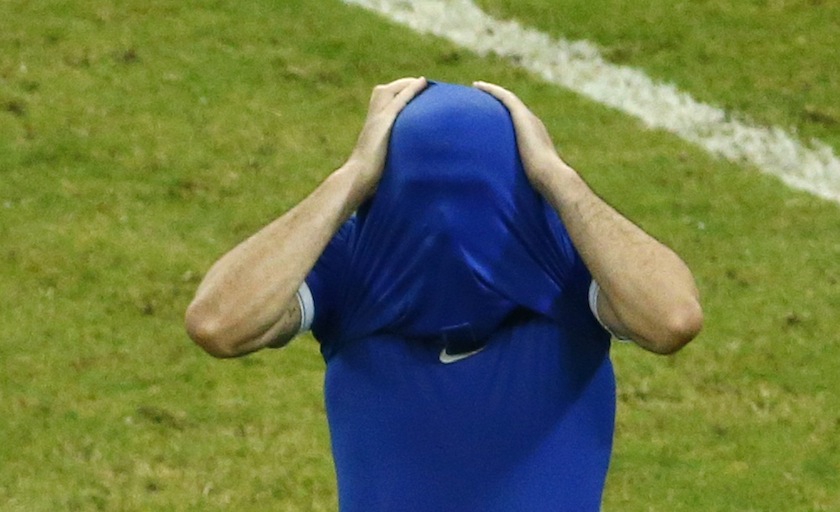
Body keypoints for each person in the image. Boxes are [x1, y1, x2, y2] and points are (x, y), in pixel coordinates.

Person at [185, 77, 703, 511]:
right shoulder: (353, 265)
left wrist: (560, 179)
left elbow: (672, 319)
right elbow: (218, 324)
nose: (448, 224)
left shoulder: (565, 263)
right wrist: (348, 179)